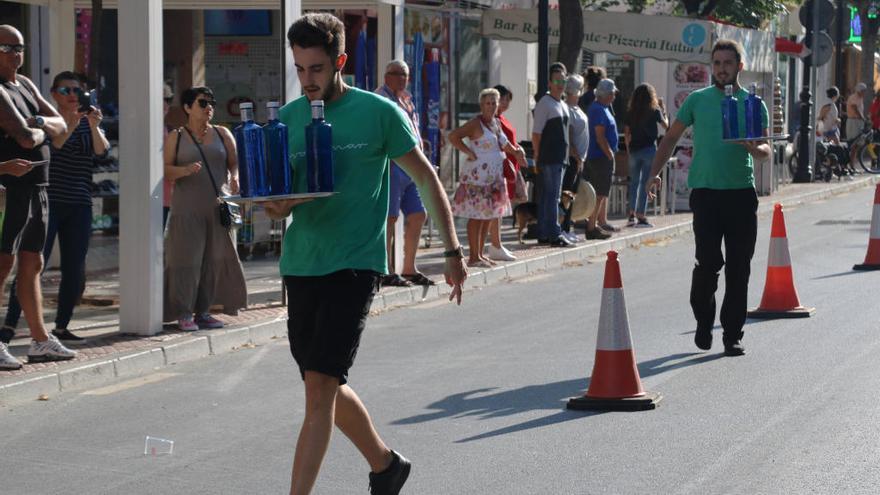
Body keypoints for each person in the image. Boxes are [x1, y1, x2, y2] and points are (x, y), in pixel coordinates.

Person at [261, 13, 466, 495]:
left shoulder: (378, 112)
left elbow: (425, 177)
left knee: (318, 392)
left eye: (316, 69)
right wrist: (276, 204)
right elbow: (279, 199)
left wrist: (453, 250)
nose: (307, 80)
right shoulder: (288, 120)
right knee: (322, 383)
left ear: (340, 63)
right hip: (301, 263)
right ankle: (385, 465)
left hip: (354, 265)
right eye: (300, 69)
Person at [648, 39, 770, 357]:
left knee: (739, 267)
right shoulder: (697, 100)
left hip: (741, 194)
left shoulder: (752, 103)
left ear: (739, 66)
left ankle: (732, 335)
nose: (721, 69)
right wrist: (653, 173)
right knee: (708, 264)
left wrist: (754, 149)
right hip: (705, 194)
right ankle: (704, 321)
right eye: (716, 63)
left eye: (727, 63)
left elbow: (766, 149)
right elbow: (671, 137)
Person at [2, 71, 110, 344]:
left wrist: (94, 126)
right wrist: (68, 124)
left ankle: (60, 327)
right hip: (48, 198)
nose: (72, 95)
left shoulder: (87, 122)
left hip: (80, 201)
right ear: (53, 94)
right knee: (28, 263)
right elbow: (58, 142)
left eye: (77, 90)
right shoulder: (50, 123)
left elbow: (101, 151)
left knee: (73, 268)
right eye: (65, 91)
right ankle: (9, 326)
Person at [0, 25, 77, 370]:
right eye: (7, 47)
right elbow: (26, 139)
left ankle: (41, 341)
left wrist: (38, 124)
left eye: (20, 47)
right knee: (2, 267)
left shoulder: (26, 84)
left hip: (38, 187)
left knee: (33, 265)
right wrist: (42, 128)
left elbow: (62, 125)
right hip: (9, 191)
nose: (16, 53)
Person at [162, 86, 247, 331]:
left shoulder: (222, 133)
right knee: (185, 260)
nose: (209, 107)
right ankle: (183, 312)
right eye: (202, 103)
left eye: (211, 103)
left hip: (219, 207)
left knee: (214, 260)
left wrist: (235, 177)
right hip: (187, 208)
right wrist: (184, 171)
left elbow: (234, 163)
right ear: (188, 107)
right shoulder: (176, 137)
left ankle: (204, 311)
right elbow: (165, 169)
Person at [375, 60, 434, 287]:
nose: (402, 78)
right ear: (386, 75)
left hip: (410, 166)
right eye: (397, 74)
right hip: (391, 165)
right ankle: (387, 269)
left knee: (418, 214)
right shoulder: (380, 98)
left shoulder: (406, 98)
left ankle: (409, 268)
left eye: (406, 74)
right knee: (390, 218)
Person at [450, 88, 524, 267]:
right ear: (481, 105)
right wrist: (468, 152)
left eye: (494, 103)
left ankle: (480, 254)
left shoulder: (495, 123)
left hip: (493, 178)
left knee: (487, 216)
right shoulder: (476, 123)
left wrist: (517, 152)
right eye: (487, 103)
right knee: (476, 217)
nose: (491, 106)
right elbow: (454, 136)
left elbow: (505, 144)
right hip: (478, 178)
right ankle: (473, 256)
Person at [532, 62, 574, 247]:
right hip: (549, 157)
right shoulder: (545, 103)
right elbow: (536, 133)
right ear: (549, 83)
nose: (560, 83)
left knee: (549, 196)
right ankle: (553, 233)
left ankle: (544, 232)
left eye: (563, 80)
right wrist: (537, 156)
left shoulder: (563, 104)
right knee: (552, 197)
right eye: (556, 80)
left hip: (560, 156)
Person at [487, 84, 524, 262]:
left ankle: (497, 243)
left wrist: (518, 150)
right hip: (499, 167)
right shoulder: (492, 121)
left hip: (509, 167)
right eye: (503, 98)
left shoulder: (502, 118)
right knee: (496, 208)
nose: (505, 102)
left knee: (500, 207)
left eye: (508, 98)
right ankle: (495, 244)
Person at [624, 83, 668, 228]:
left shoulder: (631, 112)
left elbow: (627, 133)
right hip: (649, 149)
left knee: (634, 182)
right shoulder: (654, 110)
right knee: (645, 182)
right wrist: (664, 111)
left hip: (634, 149)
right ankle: (641, 215)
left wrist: (628, 149)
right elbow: (666, 126)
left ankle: (631, 214)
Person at [584, 79, 620, 240]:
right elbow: (600, 135)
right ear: (605, 94)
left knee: (600, 192)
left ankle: (594, 224)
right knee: (599, 193)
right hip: (599, 157)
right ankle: (591, 226)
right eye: (612, 93)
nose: (614, 97)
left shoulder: (602, 108)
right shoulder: (598, 109)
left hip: (600, 156)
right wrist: (609, 153)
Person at [561, 74, 589, 240]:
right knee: (567, 194)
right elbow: (569, 138)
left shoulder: (577, 109)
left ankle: (568, 226)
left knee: (572, 194)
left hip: (579, 158)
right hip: (573, 159)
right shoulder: (568, 109)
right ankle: (563, 227)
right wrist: (577, 157)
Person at [846, 82, 868, 167]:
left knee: (857, 145)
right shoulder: (854, 97)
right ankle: (850, 164)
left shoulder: (860, 98)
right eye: (863, 91)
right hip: (853, 122)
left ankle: (853, 164)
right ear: (859, 90)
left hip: (858, 122)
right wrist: (862, 118)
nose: (864, 93)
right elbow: (855, 108)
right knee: (853, 144)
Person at [163, 83, 174, 227]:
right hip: (147, 198)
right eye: (161, 99)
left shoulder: (169, 130)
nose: (165, 104)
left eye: (168, 100)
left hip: (167, 197)